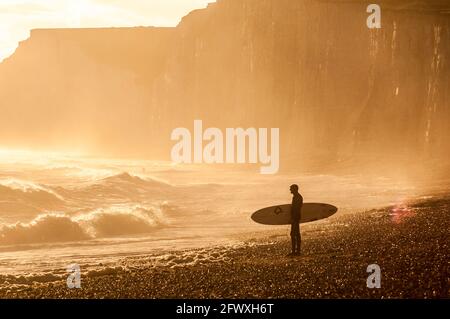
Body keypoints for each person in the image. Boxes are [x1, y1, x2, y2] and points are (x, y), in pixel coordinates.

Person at [288, 184, 303, 256]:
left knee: (294, 234)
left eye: (291, 189)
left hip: (295, 218)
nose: (290, 190)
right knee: (295, 234)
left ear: (295, 189)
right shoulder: (296, 197)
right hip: (295, 217)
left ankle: (296, 251)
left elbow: (296, 209)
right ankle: (295, 251)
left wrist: (293, 219)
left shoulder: (297, 197)